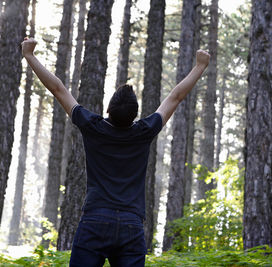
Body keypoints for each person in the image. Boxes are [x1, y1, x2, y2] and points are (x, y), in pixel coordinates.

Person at [22, 37, 210, 267]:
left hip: (95, 220)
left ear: (109, 109)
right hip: (131, 225)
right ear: (135, 113)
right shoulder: (144, 130)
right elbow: (175, 97)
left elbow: (58, 88)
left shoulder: (92, 126)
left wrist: (30, 56)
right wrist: (200, 66)